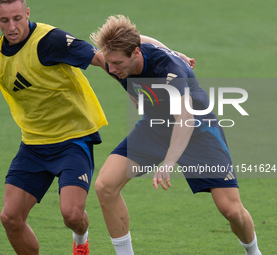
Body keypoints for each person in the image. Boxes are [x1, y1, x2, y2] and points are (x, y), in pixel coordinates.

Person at [0, 0, 109, 254]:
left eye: (17, 18)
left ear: (28, 13)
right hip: (33, 146)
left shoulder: (50, 40)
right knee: (10, 218)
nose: (12, 27)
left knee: (72, 215)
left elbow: (99, 58)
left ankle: (81, 239)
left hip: (73, 140)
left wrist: (141, 72)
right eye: (5, 20)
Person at [90, 15, 262, 255]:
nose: (112, 69)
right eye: (109, 62)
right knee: (105, 186)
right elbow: (135, 40)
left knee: (231, 210)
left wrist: (169, 162)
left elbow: (186, 119)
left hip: (199, 131)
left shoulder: (169, 70)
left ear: (136, 54)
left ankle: (253, 252)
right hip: (155, 127)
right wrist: (172, 49)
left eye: (118, 62)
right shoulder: (113, 58)